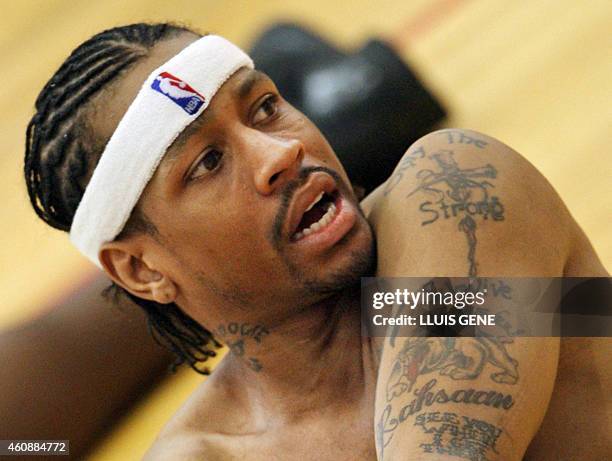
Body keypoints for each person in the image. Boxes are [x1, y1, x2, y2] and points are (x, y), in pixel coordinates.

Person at [24, 23, 610, 460]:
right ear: (140, 269)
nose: (281, 152)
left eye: (266, 108)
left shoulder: (446, 196)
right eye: (207, 163)